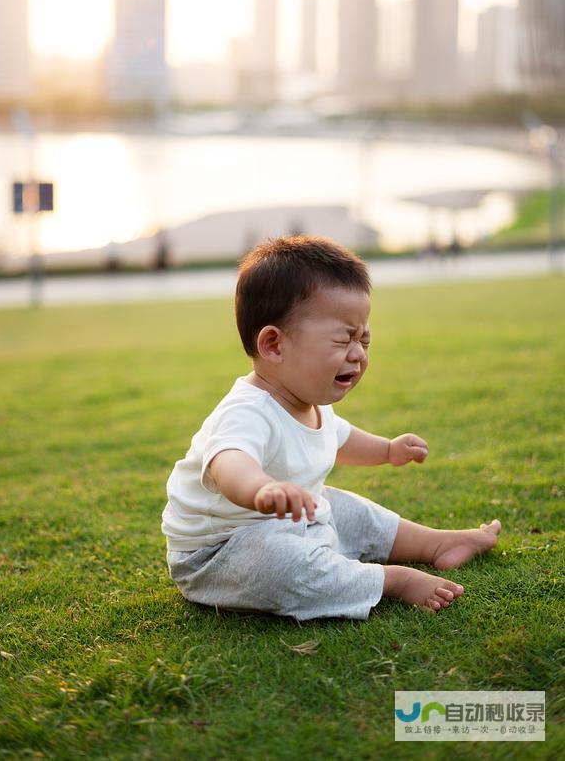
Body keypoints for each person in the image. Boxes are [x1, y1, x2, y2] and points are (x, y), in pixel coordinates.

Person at [161, 236, 501, 621]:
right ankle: (390, 581)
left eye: (364, 340)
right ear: (274, 345)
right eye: (343, 339)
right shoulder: (246, 411)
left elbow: (342, 440)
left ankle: (437, 543)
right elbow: (229, 464)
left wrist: (388, 449)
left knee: (344, 508)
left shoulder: (310, 403)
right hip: (221, 552)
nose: (357, 353)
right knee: (284, 563)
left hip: (292, 521)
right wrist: (262, 490)